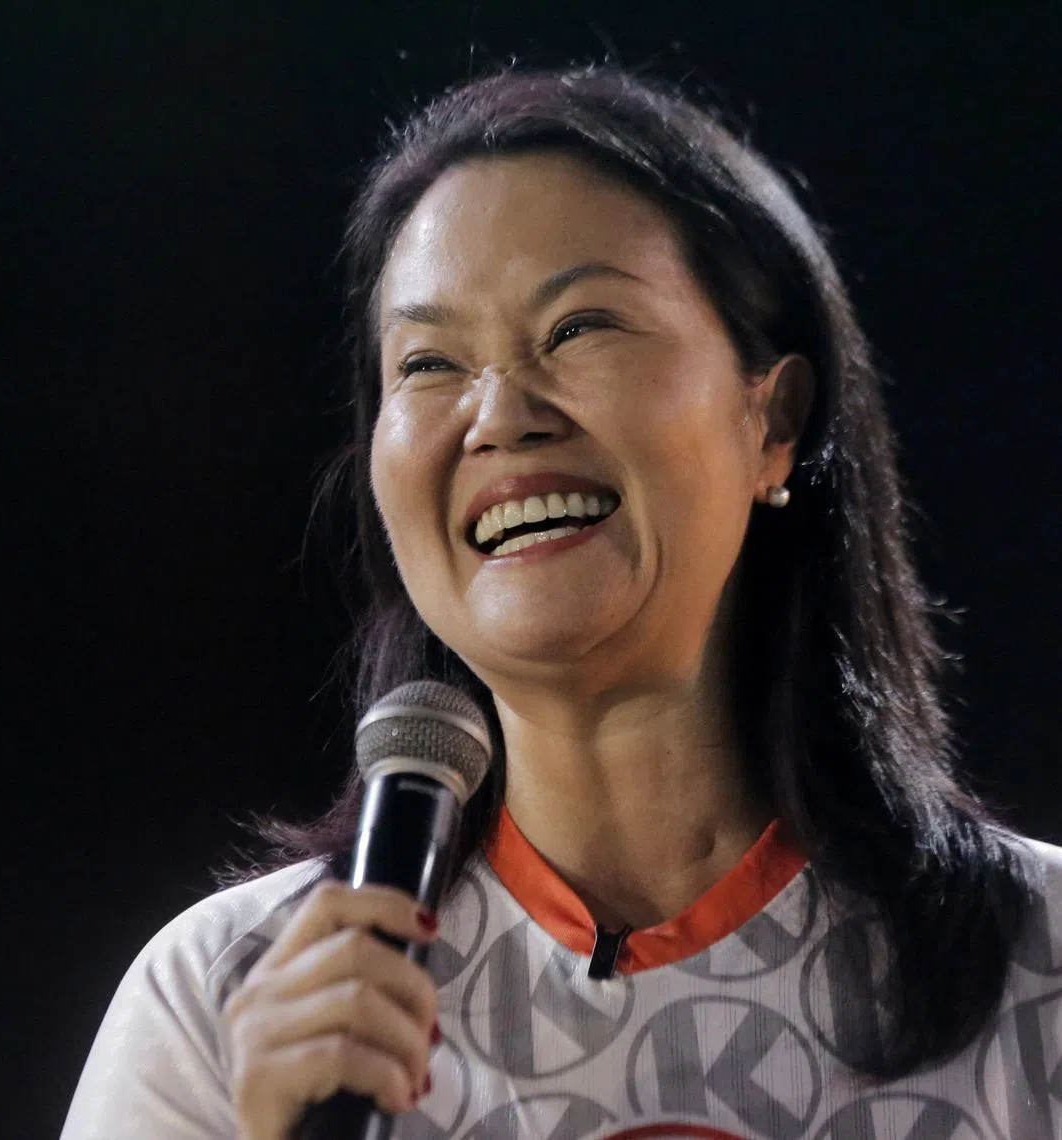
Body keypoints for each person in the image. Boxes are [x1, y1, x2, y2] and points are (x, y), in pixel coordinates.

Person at [61, 66, 1061, 1140]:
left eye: (580, 326)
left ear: (773, 422)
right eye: (431, 361)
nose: (500, 415)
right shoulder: (224, 1003)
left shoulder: (1039, 960)